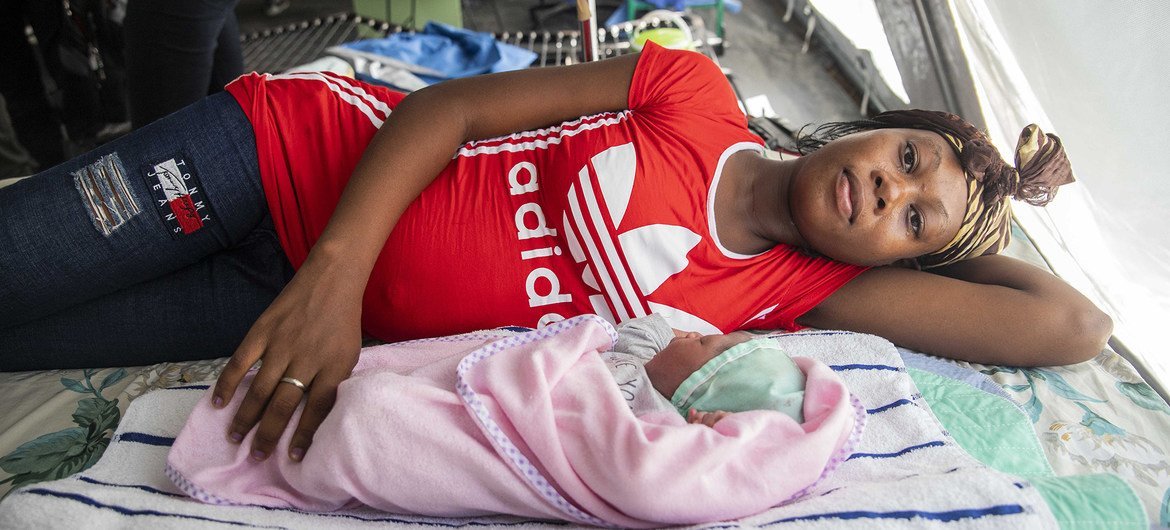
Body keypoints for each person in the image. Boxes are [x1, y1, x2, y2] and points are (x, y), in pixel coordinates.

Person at [0, 42, 1110, 464]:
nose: (889, 183)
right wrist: (334, 287)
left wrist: (973, 212)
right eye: (908, 152)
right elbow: (446, 112)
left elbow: (1074, 326)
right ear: (877, 121)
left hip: (271, 298)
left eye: (911, 213)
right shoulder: (692, 90)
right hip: (272, 159)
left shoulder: (797, 296)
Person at [607, 313, 806, 424]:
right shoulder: (642, 363)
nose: (693, 334)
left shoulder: (669, 424)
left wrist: (717, 434)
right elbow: (639, 331)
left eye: (703, 341)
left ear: (694, 386)